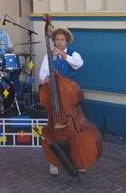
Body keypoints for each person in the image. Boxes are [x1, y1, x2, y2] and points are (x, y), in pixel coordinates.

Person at [38, 26, 83, 176]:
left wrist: (64, 56)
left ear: (67, 41)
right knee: (55, 129)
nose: (59, 42)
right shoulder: (48, 56)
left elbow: (78, 64)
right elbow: (42, 73)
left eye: (62, 40)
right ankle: (54, 162)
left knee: (75, 131)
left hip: (70, 97)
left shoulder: (73, 53)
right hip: (55, 96)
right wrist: (44, 78)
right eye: (57, 39)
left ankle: (78, 160)